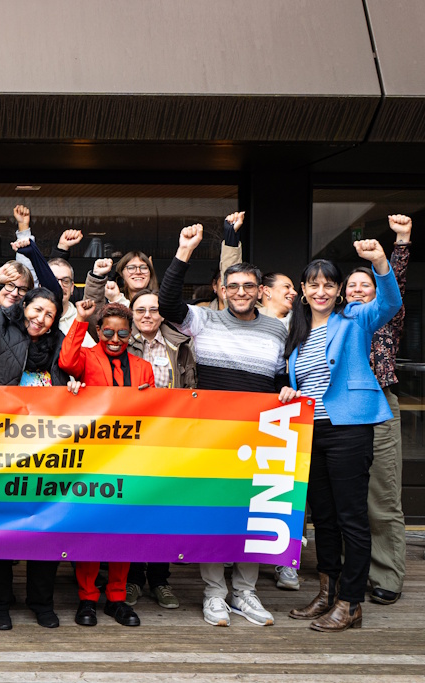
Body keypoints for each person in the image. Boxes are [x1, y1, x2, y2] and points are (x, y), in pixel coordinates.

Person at [159, 222, 287, 628]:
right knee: (213, 513)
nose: (241, 293)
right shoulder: (203, 321)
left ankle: (245, 593)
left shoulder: (279, 329)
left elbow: (284, 378)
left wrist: (286, 393)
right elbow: (165, 304)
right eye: (233, 286)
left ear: (260, 290)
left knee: (254, 514)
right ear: (221, 289)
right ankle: (214, 594)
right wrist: (184, 250)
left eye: (249, 286)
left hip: (262, 435)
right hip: (213, 436)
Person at [280, 237, 401, 632]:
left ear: (338, 290)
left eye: (328, 284)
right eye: (313, 285)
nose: (321, 291)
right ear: (303, 290)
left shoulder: (355, 319)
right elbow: (309, 381)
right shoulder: (296, 335)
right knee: (324, 518)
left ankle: (350, 602)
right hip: (311, 430)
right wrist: (291, 390)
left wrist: (381, 261)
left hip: (349, 428)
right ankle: (327, 593)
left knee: (352, 517)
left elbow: (390, 304)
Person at [0, 263, 76, 630]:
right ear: (24, 306)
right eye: (37, 309)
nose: (42, 319)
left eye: (50, 315)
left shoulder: (57, 345)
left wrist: (74, 386)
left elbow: (77, 374)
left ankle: (41, 601)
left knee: (46, 527)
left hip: (45, 452)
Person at [59, 301, 154, 628]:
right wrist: (81, 321)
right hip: (92, 459)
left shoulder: (143, 367)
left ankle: (117, 598)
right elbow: (66, 361)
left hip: (129, 459)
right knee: (90, 528)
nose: (115, 338)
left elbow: (153, 413)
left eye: (123, 333)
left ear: (132, 333)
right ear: (99, 331)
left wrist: (148, 398)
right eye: (109, 332)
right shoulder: (87, 358)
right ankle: (87, 596)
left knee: (122, 530)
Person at [345, 214, 412, 606]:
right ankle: (347, 570)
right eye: (351, 285)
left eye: (364, 284)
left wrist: (400, 241)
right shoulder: (335, 321)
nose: (356, 289)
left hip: (381, 405)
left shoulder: (386, 316)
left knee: (382, 495)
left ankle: (386, 572)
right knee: (345, 495)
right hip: (342, 410)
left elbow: (395, 285)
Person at [123, 289, 196, 609]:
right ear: (131, 313)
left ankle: (161, 579)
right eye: (141, 310)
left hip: (171, 440)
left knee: (164, 511)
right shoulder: (121, 342)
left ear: (163, 314)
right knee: (135, 510)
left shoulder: (180, 345)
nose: (148, 315)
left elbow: (192, 388)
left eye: (154, 309)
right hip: (132, 442)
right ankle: (133, 579)